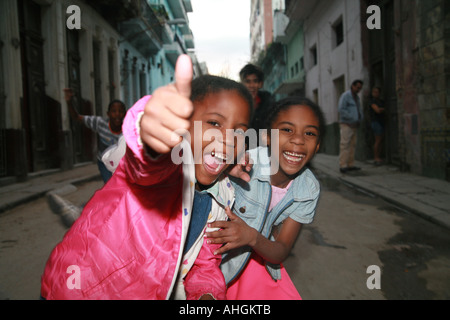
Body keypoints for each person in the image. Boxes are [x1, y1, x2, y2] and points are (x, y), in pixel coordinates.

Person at [40, 55, 253, 300]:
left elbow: (203, 263)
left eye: (239, 132)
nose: (228, 139)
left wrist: (207, 295)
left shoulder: (222, 197)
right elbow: (144, 161)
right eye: (214, 122)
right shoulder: (163, 166)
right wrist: (152, 133)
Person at [205, 97, 325, 300]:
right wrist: (223, 170)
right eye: (287, 129)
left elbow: (281, 250)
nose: (298, 139)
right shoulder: (242, 162)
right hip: (210, 258)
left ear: (318, 146)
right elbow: (196, 184)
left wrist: (251, 236)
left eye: (310, 133)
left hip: (258, 257)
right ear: (267, 137)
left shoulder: (308, 189)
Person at [63, 88, 126, 182]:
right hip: (104, 162)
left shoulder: (128, 128)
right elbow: (77, 117)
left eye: (120, 111)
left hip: (121, 164)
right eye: (114, 111)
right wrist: (69, 102)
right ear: (108, 114)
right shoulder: (100, 123)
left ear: (124, 113)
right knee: (109, 184)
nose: (117, 114)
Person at [338, 80, 364, 174]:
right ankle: (343, 165)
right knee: (345, 144)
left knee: (352, 145)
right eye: (357, 87)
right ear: (352, 86)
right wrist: (352, 118)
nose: (358, 89)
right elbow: (341, 109)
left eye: (360, 88)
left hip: (354, 125)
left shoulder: (356, 97)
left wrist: (360, 118)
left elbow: (358, 109)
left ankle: (350, 164)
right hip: (347, 124)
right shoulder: (346, 96)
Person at [239, 64, 273, 134]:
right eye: (247, 81)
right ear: (241, 84)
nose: (252, 85)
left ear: (260, 84)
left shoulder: (268, 103)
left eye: (255, 81)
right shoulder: (236, 104)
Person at [368, 87, 385, 165]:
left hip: (381, 121)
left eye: (377, 92)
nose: (375, 93)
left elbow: (382, 109)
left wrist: (381, 109)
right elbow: (377, 110)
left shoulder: (380, 101)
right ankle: (376, 157)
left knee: (381, 140)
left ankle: (379, 156)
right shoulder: (372, 101)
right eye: (374, 92)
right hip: (375, 122)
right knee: (378, 140)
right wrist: (381, 109)